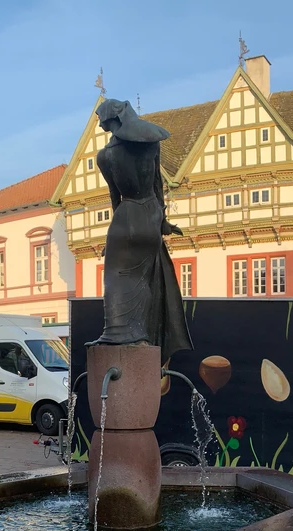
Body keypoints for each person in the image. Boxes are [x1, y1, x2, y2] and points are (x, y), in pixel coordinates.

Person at [89, 98, 193, 362]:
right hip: (150, 214)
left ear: (108, 120)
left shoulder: (104, 156)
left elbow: (116, 198)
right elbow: (157, 184)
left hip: (126, 216)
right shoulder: (150, 143)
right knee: (145, 277)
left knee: (115, 277)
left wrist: (114, 238)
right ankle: (140, 333)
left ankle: (117, 332)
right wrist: (163, 221)